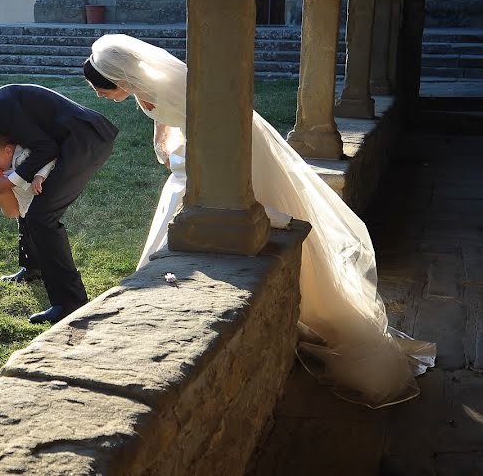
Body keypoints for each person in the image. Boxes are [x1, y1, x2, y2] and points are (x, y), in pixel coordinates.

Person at [82, 34, 435, 409]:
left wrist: (181, 163)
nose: (100, 96)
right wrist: (164, 146)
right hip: (200, 151)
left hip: (228, 156)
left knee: (188, 205)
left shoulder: (174, 86)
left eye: (101, 90)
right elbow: (167, 119)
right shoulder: (146, 84)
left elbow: (210, 129)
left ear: (120, 80)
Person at [0, 84, 118, 324]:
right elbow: (33, 145)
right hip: (78, 138)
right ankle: (34, 266)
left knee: (41, 217)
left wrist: (10, 181)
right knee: (31, 210)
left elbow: (45, 148)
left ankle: (70, 302)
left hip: (85, 140)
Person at [0, 131, 55, 219]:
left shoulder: (22, 156)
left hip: (25, 205)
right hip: (20, 201)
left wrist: (39, 176)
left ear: (8, 151)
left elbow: (47, 159)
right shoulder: (9, 161)